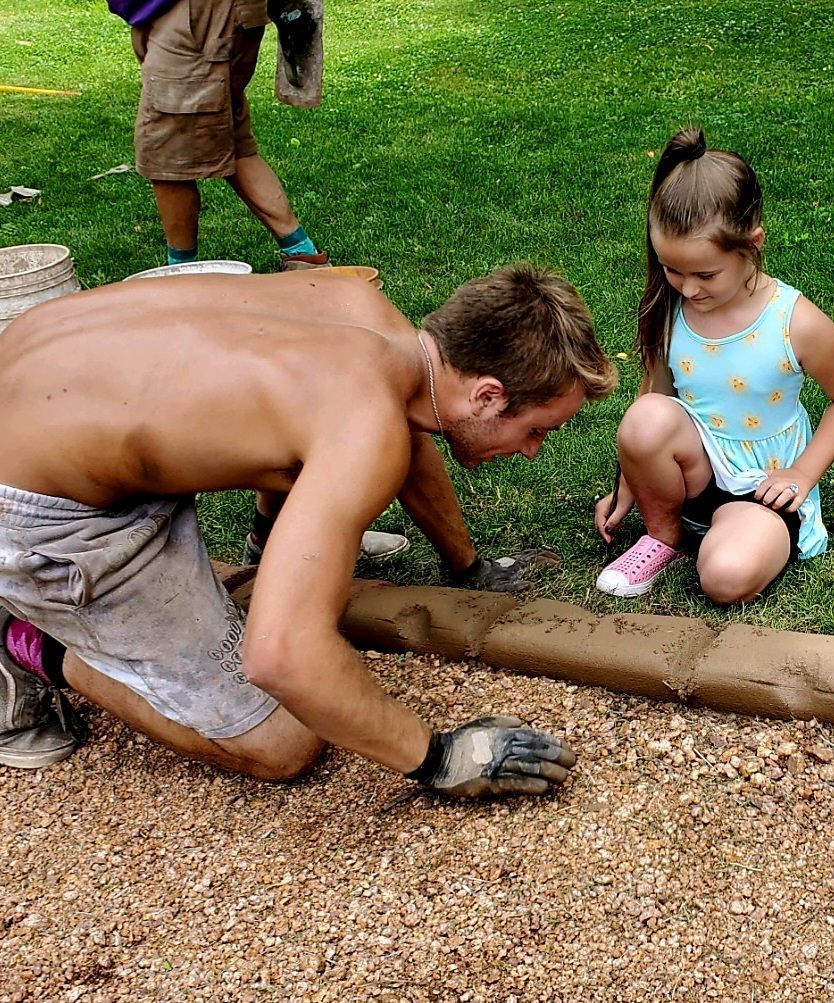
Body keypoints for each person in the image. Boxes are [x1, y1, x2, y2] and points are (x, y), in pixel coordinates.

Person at [0, 266, 617, 799]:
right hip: (41, 516)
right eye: (537, 431)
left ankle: (264, 550)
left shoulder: (362, 312)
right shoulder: (364, 422)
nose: (534, 453)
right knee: (285, 743)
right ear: (487, 396)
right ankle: (25, 641)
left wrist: (468, 568)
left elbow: (402, 437)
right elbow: (280, 658)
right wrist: (440, 756)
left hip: (47, 390)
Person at [593, 128, 834, 602]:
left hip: (764, 488)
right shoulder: (669, 311)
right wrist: (629, 482)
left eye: (705, 274)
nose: (687, 288)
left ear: (753, 244)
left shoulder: (795, 322)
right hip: (698, 470)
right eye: (671, 269)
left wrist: (802, 475)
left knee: (724, 578)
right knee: (643, 420)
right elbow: (655, 398)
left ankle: (738, 537)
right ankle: (665, 538)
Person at [108, 0, 329, 269]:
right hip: (203, 14)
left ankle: (182, 273)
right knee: (230, 135)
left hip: (198, 14)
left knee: (168, 149)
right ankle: (303, 254)